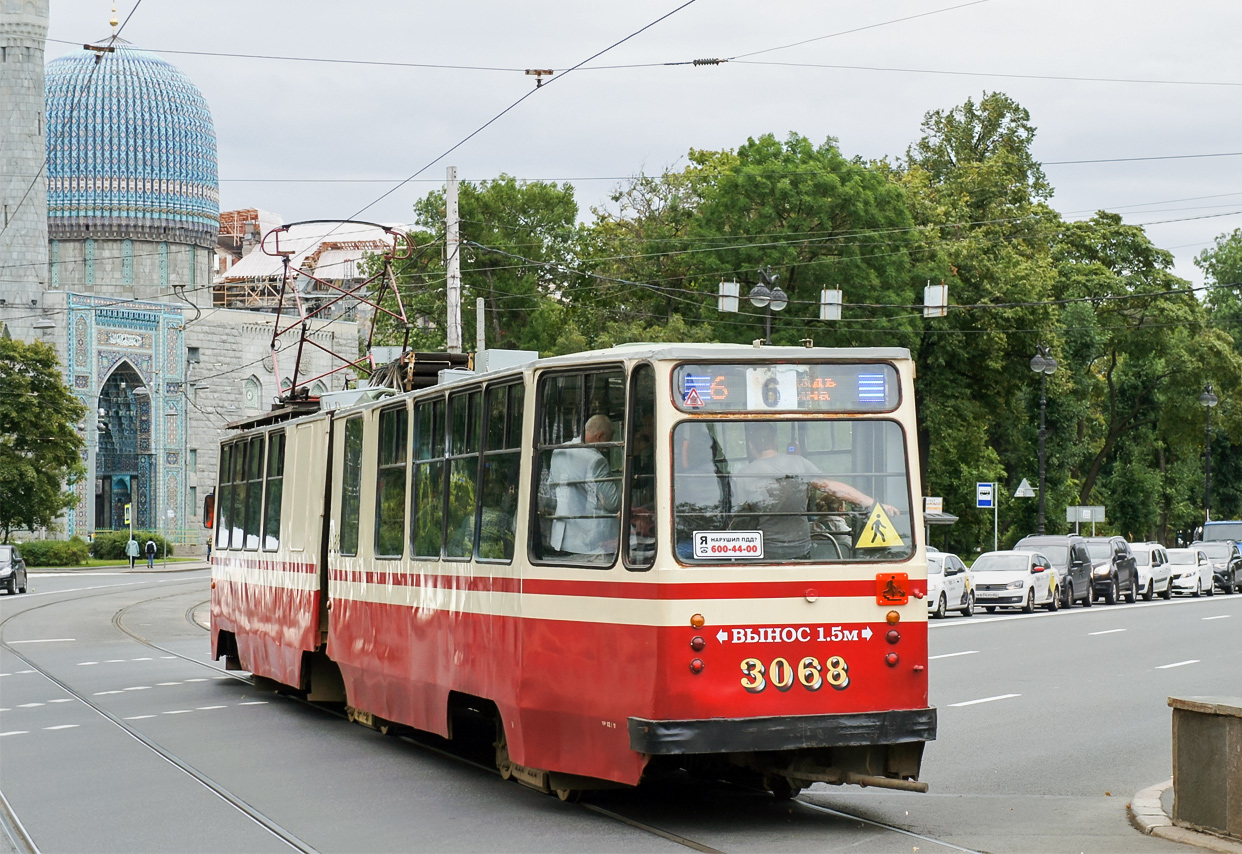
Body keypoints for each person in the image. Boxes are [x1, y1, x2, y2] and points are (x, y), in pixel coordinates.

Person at [731, 422, 897, 561]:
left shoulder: (744, 474)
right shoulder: (799, 463)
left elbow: (736, 515)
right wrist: (873, 503)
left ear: (750, 445)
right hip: (800, 548)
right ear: (775, 440)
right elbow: (833, 488)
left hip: (764, 550)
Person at [547, 414, 621, 560]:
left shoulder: (558, 451)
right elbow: (612, 503)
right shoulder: (596, 460)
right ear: (600, 436)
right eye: (608, 441)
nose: (607, 448)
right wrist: (623, 479)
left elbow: (553, 488)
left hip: (562, 538)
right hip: (590, 542)